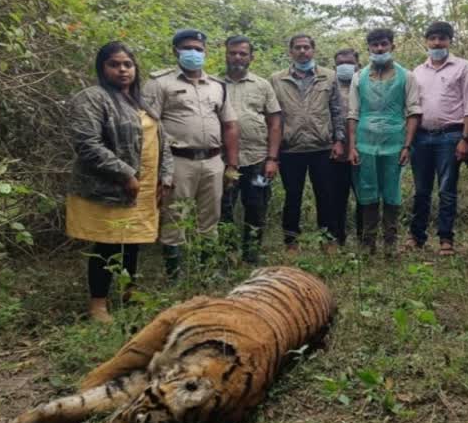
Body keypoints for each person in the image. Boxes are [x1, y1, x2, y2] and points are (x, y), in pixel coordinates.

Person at [65, 41, 173, 323]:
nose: (123, 70)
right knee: (107, 245)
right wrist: (125, 173)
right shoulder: (92, 98)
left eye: (128, 64)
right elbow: (87, 143)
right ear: (103, 68)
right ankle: (98, 305)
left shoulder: (141, 101)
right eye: (114, 64)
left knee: (132, 243)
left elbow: (162, 141)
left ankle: (129, 293)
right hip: (112, 188)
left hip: (145, 186)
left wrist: (166, 176)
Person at [144, 29, 239, 279]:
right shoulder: (159, 83)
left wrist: (232, 164)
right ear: (175, 51)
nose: (194, 53)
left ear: (205, 51)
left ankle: (208, 271)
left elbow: (229, 125)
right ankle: (174, 276)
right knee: (174, 216)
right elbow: (147, 127)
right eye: (188, 48)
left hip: (213, 161)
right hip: (177, 161)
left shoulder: (218, 86)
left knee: (211, 218)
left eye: (198, 48)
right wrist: (156, 170)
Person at [347, 28, 422, 256]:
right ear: (368, 48)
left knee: (392, 192)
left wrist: (407, 146)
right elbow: (353, 113)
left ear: (392, 46)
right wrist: (352, 146)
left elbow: (413, 112)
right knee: (367, 191)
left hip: (395, 143)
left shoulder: (407, 76)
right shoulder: (358, 77)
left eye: (384, 44)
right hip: (365, 143)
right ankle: (368, 244)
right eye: (375, 45)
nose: (379, 49)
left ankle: (391, 243)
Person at [270, 34, 346, 253]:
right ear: (290, 51)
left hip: (321, 147)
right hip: (290, 148)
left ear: (313, 50)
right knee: (292, 196)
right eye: (297, 48)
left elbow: (336, 111)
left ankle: (327, 239)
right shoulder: (277, 79)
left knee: (326, 195)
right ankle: (291, 241)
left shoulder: (329, 77)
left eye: (306, 47)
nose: (302, 51)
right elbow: (274, 116)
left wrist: (338, 140)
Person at [408, 21, 468, 256]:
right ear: (426, 41)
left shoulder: (464, 67)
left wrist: (466, 139)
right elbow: (413, 109)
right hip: (421, 137)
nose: (437, 43)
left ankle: (446, 238)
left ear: (450, 41)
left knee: (447, 189)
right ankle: (416, 237)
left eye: (442, 38)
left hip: (450, 136)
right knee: (421, 190)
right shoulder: (417, 72)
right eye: (433, 38)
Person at [219, 35, 282, 263]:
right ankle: (226, 255)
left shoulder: (262, 85)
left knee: (257, 206)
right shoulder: (214, 84)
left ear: (251, 58)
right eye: (233, 52)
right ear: (226, 54)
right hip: (224, 161)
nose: (237, 57)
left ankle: (251, 253)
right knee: (224, 208)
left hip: (257, 161)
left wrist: (272, 159)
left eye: (243, 53)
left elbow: (275, 123)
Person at [329, 48, 363, 246]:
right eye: (340, 63)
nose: (345, 66)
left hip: (362, 151)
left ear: (357, 64)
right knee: (337, 198)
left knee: (364, 197)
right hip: (336, 153)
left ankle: (364, 238)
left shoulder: (365, 83)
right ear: (335, 66)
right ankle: (337, 238)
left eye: (349, 62)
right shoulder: (329, 86)